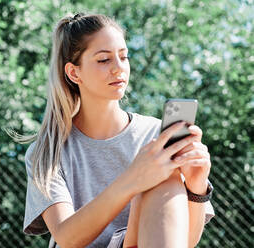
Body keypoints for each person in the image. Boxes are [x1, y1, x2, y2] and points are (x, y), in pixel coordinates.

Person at [20, 13, 215, 248]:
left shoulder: (155, 134)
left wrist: (197, 187)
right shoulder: (47, 152)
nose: (118, 68)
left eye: (124, 57)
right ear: (74, 73)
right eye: (104, 60)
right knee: (156, 169)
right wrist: (133, 180)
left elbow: (185, 242)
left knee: (164, 176)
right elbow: (66, 238)